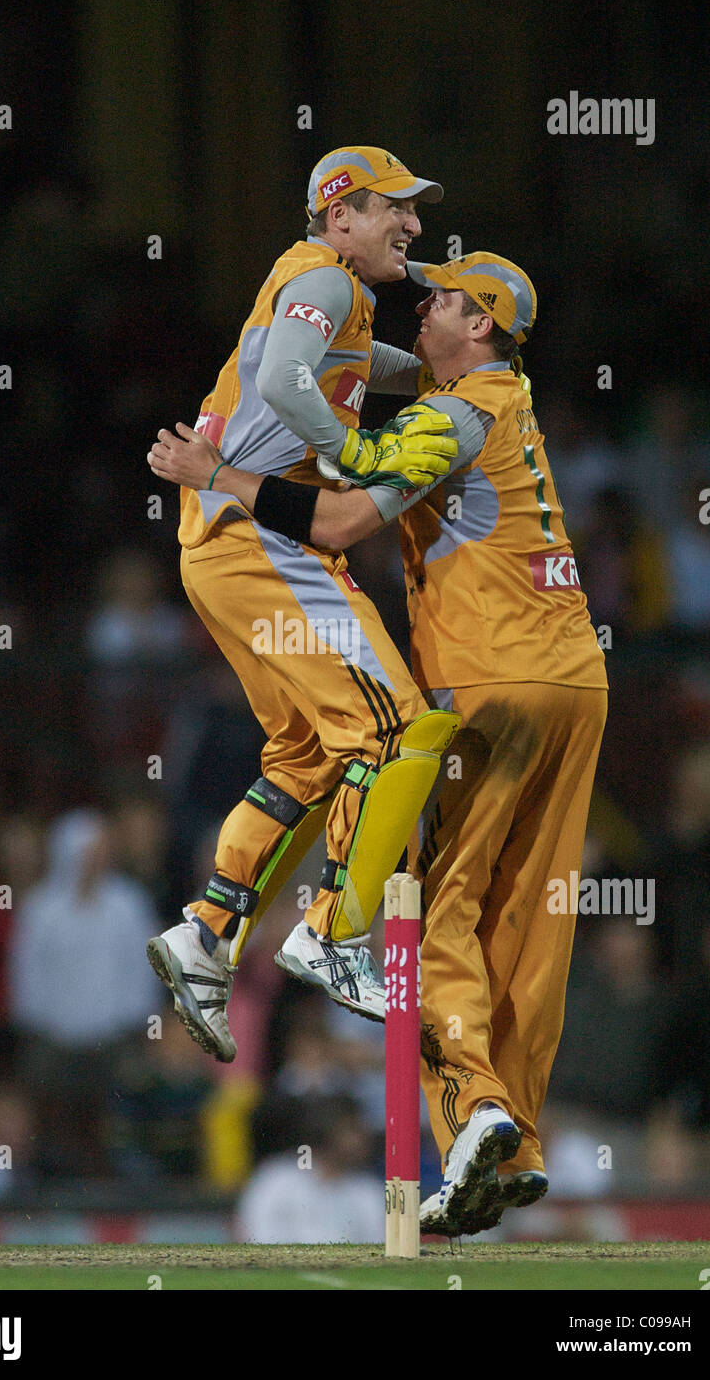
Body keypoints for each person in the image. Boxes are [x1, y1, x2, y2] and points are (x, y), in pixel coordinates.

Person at [150, 251, 609, 1237]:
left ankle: (465, 1091)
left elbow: (347, 515)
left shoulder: (450, 415)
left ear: (478, 325)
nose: (424, 307)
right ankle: (511, 1147)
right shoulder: (508, 403)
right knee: (531, 932)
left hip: (485, 689)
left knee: (434, 907)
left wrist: (217, 473)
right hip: (576, 683)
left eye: (442, 301)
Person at [145, 147, 462, 1065]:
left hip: (223, 545)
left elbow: (351, 369)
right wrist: (357, 456)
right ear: (339, 217)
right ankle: (331, 931)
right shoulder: (322, 276)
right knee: (398, 729)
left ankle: (205, 932)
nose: (410, 222)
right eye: (392, 208)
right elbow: (288, 378)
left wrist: (441, 362)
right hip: (260, 539)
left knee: (305, 751)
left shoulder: (338, 296)